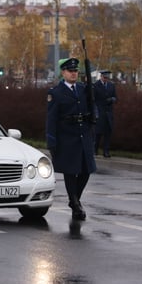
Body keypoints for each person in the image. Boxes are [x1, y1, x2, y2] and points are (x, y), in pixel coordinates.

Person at [46, 57, 97, 221]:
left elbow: (92, 105)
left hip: (84, 136)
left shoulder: (84, 89)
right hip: (67, 137)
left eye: (76, 71)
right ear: (63, 73)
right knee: (70, 173)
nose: (74, 74)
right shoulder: (56, 93)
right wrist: (51, 140)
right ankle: (75, 204)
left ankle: (75, 199)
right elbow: (51, 119)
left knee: (86, 171)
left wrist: (94, 115)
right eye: (70, 71)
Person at [93, 70, 117, 158]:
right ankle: (94, 150)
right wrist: (95, 112)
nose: (106, 79)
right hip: (99, 112)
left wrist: (112, 99)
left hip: (108, 113)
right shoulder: (96, 86)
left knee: (108, 133)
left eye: (107, 78)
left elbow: (115, 97)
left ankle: (106, 151)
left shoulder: (111, 85)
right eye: (104, 77)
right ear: (101, 77)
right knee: (98, 133)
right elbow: (93, 100)